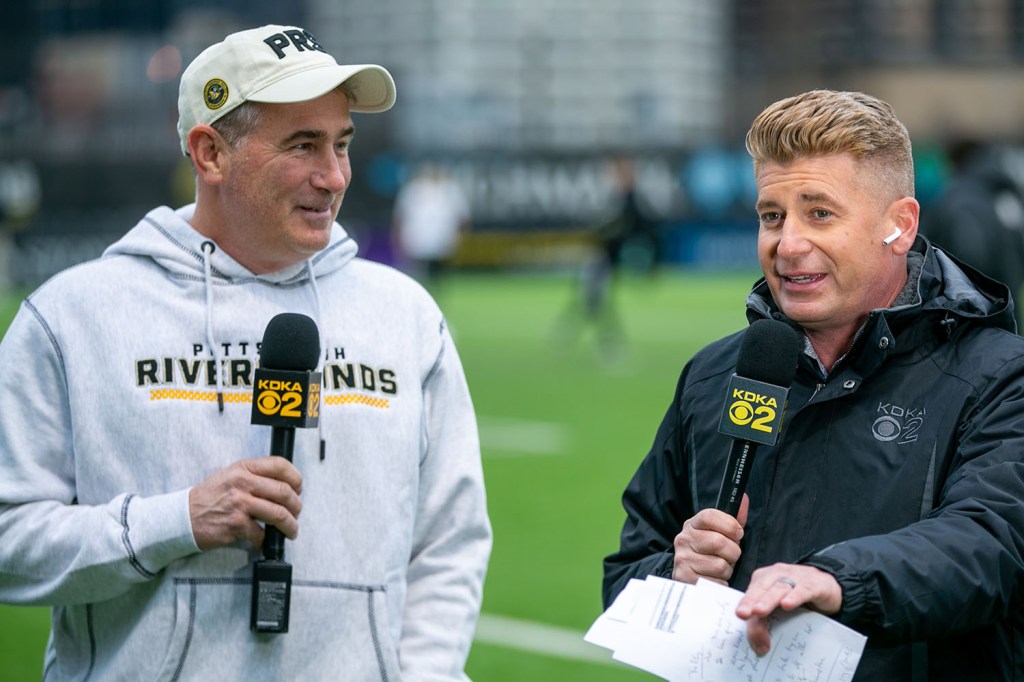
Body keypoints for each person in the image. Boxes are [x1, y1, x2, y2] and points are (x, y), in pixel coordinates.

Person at [0, 24, 491, 681]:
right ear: (210, 154)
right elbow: (10, 542)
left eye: (342, 144)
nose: (335, 175)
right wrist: (175, 522)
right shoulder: (75, 316)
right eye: (303, 145)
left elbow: (449, 544)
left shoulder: (405, 319)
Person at [602, 90, 1024, 680]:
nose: (788, 243)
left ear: (899, 226)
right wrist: (677, 572)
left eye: (819, 213)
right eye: (772, 216)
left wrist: (834, 582)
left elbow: (992, 544)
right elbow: (625, 574)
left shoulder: (999, 374)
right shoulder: (713, 375)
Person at [922, 139, 1024, 328]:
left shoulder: (959, 199)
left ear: (953, 163)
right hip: (1008, 301)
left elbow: (968, 256)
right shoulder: (1004, 192)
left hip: (973, 312)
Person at [391, 162, 470, 295]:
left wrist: (460, 236)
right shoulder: (413, 190)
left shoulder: (450, 190)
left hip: (442, 237)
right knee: (419, 268)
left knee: (438, 269)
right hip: (417, 236)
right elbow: (401, 216)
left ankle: (437, 290)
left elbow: (462, 217)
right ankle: (419, 290)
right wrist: (398, 236)